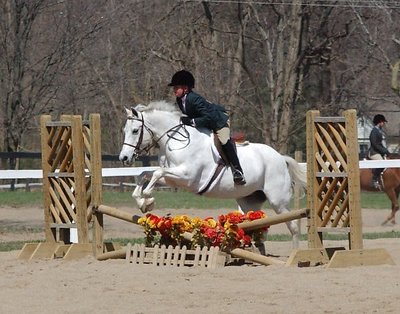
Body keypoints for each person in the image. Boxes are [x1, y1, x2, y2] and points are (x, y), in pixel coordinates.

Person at [168, 70, 246, 185]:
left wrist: (191, 121)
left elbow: (208, 117)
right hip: (205, 122)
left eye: (177, 87)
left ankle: (238, 171)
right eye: (174, 87)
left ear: (185, 88)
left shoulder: (194, 98)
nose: (174, 90)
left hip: (218, 121)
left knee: (224, 140)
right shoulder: (179, 100)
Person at [368, 114, 390, 189]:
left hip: (378, 152)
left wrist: (386, 151)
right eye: (383, 122)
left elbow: (380, 144)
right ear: (380, 122)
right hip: (373, 152)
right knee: (382, 163)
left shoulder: (379, 131)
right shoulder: (374, 131)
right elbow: (375, 144)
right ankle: (374, 180)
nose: (383, 124)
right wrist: (383, 150)